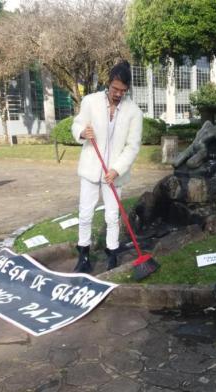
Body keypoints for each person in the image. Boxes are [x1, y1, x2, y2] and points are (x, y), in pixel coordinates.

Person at [71, 60, 143, 273]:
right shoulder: (90, 102)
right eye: (115, 88)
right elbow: (77, 123)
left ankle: (112, 254)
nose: (118, 94)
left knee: (112, 215)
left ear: (127, 89)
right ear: (108, 83)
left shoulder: (134, 112)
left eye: (123, 90)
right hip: (90, 169)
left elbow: (133, 146)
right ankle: (83, 255)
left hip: (114, 175)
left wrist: (117, 169)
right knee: (85, 213)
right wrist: (83, 133)